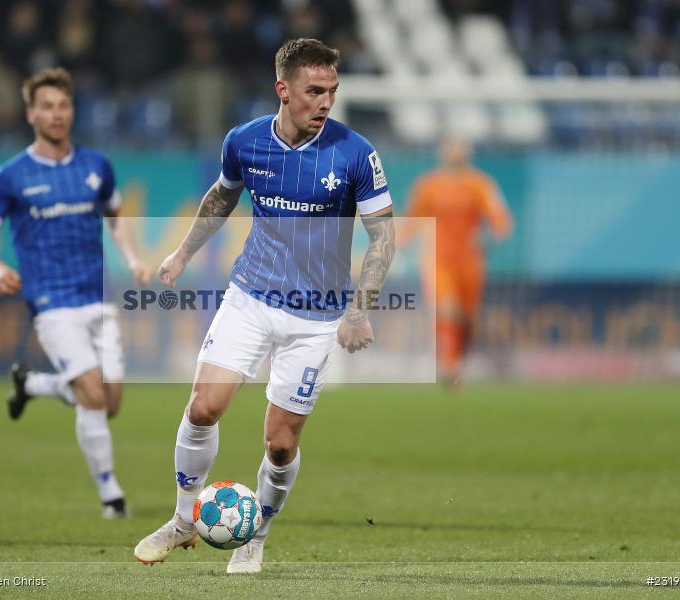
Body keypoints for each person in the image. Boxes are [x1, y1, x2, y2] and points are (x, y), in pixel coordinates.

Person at [133, 38, 395, 573]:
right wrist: (183, 253)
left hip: (316, 320)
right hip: (251, 296)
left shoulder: (356, 153)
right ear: (283, 89)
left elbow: (383, 237)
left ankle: (255, 536)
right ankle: (184, 520)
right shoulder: (245, 141)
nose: (325, 103)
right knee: (203, 407)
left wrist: (359, 309)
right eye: (314, 91)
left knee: (279, 445)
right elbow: (221, 197)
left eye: (332, 92)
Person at [0, 67, 151, 518]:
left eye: (64, 105)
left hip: (98, 297)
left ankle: (31, 384)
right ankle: (112, 498)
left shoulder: (96, 166)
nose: (57, 114)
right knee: (90, 392)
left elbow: (116, 218)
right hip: (50, 302)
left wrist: (130, 258)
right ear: (31, 114)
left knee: (109, 404)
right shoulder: (11, 175)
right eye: (47, 106)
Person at [399, 136, 513, 386]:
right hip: (438, 258)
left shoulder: (480, 184)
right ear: (442, 151)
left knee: (467, 318)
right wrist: (399, 241)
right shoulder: (428, 185)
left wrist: (489, 236)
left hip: (470, 261)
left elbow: (500, 219)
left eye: (460, 146)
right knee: (447, 308)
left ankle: (458, 359)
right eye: (451, 146)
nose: (455, 152)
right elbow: (413, 217)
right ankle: (448, 367)